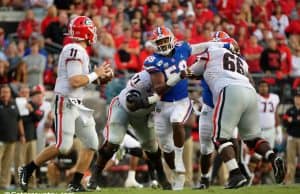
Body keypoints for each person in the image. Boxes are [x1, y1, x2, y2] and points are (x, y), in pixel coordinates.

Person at [19, 16, 114, 192]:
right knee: (63, 146)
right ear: (85, 32)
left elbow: (82, 80)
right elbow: (74, 81)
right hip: (66, 101)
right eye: (91, 29)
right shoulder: (74, 49)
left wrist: (101, 79)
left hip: (77, 103)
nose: (93, 32)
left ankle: (75, 184)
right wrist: (96, 73)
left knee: (92, 143)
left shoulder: (79, 50)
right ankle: (28, 169)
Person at [143, 26, 235, 190]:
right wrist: (179, 76)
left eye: (165, 40)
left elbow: (204, 46)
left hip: (181, 101)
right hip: (162, 104)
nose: (163, 45)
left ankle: (179, 159)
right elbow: (159, 89)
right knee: (165, 146)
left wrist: (226, 45)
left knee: (177, 121)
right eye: (159, 42)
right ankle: (176, 174)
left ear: (171, 39)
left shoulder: (182, 48)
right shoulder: (152, 61)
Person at [188, 36, 285, 189]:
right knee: (249, 139)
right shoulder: (241, 61)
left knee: (219, 140)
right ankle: (272, 157)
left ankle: (235, 174)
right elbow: (250, 80)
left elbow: (191, 72)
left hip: (225, 99)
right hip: (241, 96)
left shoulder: (212, 53)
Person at [87, 70, 171, 190]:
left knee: (152, 148)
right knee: (112, 143)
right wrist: (149, 100)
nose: (159, 84)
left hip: (144, 116)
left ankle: (162, 178)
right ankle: (94, 177)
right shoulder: (142, 80)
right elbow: (131, 103)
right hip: (123, 108)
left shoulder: (169, 89)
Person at [248, 79, 282, 184]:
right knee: (257, 156)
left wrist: (278, 129)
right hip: (259, 131)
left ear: (268, 87)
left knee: (268, 158)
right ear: (258, 88)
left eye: (265, 86)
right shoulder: (255, 97)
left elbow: (275, 113)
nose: (263, 88)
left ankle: (257, 177)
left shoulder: (275, 98)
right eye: (261, 86)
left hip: (271, 130)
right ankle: (248, 176)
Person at [0, 84, 25, 189]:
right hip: (0, 139)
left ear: (10, 93)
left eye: (7, 92)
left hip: (12, 139)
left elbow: (19, 120)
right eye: (3, 92)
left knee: (7, 163)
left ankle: (3, 184)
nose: (5, 94)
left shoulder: (14, 103)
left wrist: (22, 135)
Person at [282, 89, 300, 184]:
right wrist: (296, 121)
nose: (298, 99)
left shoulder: (290, 112)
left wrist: (292, 121)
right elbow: (285, 123)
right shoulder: (290, 110)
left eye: (299, 98)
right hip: (291, 138)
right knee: (290, 162)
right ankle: (289, 182)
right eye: (297, 97)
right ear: (294, 98)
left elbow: (290, 122)